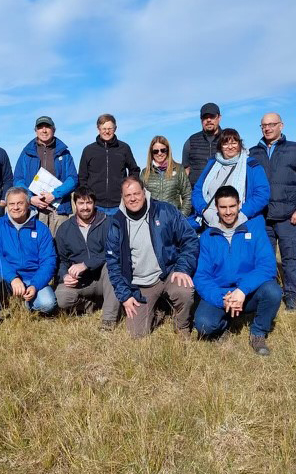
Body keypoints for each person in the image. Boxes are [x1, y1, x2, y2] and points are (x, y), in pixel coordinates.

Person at [106, 176, 199, 338]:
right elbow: (113, 264)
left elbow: (189, 239)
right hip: (140, 284)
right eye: (128, 196)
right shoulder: (116, 223)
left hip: (168, 272)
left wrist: (182, 268)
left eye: (136, 193)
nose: (133, 198)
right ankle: (157, 311)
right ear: (122, 197)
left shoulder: (165, 211)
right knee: (136, 334)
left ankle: (182, 326)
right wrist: (125, 296)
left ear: (144, 192)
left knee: (185, 291)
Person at [193, 186, 282, 355]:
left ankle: (258, 332)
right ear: (216, 208)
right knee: (203, 325)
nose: (228, 212)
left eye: (232, 206)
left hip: (248, 292)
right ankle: (225, 323)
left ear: (239, 204)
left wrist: (242, 290)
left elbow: (267, 266)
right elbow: (201, 277)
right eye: (223, 207)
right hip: (222, 293)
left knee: (273, 291)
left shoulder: (254, 229)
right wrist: (223, 300)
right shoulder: (206, 237)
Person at [249, 113, 296, 312]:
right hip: (262, 217)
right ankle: (270, 296)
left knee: (290, 258)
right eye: (263, 125)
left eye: (272, 124)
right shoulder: (253, 153)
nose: (267, 128)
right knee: (265, 259)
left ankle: (292, 296)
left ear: (281, 125)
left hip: (288, 217)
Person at [0, 187, 57, 332]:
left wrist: (35, 285)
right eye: (11, 204)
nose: (15, 207)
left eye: (20, 203)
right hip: (6, 278)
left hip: (32, 278)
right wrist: (13, 278)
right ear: (6, 206)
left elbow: (49, 261)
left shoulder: (41, 229)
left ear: (28, 204)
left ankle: (25, 302)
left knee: (48, 304)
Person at [54, 186, 120, 330]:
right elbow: (62, 260)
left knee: (112, 266)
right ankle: (92, 305)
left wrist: (86, 264)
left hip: (104, 278)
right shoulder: (64, 229)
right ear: (75, 204)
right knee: (62, 297)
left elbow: (114, 252)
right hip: (82, 281)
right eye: (81, 203)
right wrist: (64, 275)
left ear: (94, 203)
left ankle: (108, 320)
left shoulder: (108, 223)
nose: (85, 207)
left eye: (89, 203)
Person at [191, 128, 270, 230]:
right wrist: (204, 210)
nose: (230, 147)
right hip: (211, 222)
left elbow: (262, 194)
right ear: (220, 146)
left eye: (234, 143)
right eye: (225, 144)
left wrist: (242, 214)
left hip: (240, 223)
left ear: (239, 144)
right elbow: (197, 190)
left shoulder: (251, 166)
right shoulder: (212, 164)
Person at [13, 116, 77, 237]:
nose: (44, 130)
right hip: (34, 208)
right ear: (35, 130)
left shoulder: (64, 152)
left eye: (47, 127)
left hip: (59, 208)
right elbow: (18, 179)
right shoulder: (26, 153)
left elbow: (72, 179)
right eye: (40, 127)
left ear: (54, 129)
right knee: (35, 244)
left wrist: (54, 195)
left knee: (60, 245)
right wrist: (30, 198)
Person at [78, 113, 140, 215]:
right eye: (104, 128)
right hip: (95, 204)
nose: (107, 132)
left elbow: (134, 170)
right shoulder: (88, 150)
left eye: (110, 128)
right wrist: (87, 197)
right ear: (98, 129)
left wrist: (129, 188)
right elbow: (82, 176)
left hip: (119, 204)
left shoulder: (124, 148)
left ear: (115, 128)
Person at [141, 135, 192, 217]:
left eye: (163, 150)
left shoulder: (179, 169)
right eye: (155, 151)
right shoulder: (145, 172)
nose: (159, 153)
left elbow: (187, 195)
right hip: (153, 219)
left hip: (173, 219)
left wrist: (181, 217)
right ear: (151, 153)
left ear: (168, 151)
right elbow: (141, 198)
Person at [182, 102, 222, 188]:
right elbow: (185, 170)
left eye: (212, 116)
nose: (208, 120)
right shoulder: (191, 141)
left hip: (222, 194)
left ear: (219, 118)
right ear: (201, 120)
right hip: (196, 193)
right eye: (205, 117)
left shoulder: (227, 140)